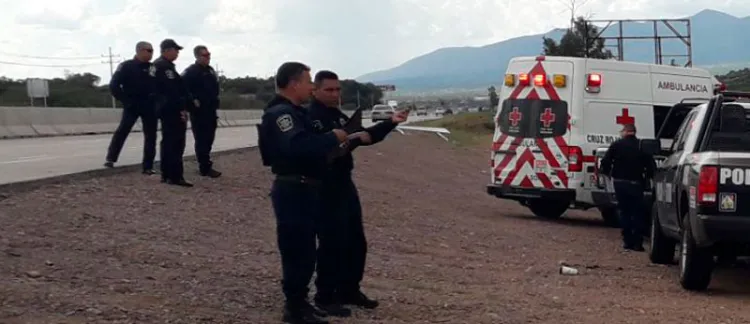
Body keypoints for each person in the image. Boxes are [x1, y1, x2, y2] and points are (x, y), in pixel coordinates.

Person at [308, 70, 408, 315]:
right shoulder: (311, 117)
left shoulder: (337, 115)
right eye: (329, 90)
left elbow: (364, 136)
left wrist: (390, 122)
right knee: (332, 242)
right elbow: (310, 150)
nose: (334, 94)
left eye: (337, 89)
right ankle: (325, 295)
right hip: (324, 186)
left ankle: (349, 289)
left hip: (344, 182)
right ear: (315, 90)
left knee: (355, 241)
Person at [258, 62, 349, 324]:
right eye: (308, 81)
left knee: (307, 249)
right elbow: (298, 146)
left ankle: (301, 302)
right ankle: (294, 307)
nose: (311, 87)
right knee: (297, 249)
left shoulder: (297, 113)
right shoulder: (281, 114)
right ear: (294, 83)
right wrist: (333, 137)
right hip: (293, 189)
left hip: (306, 187)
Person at [598, 123, 656, 251]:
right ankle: (637, 243)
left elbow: (606, 161)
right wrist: (648, 178)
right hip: (636, 183)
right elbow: (651, 166)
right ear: (634, 132)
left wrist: (606, 173)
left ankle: (627, 241)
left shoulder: (617, 145)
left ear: (625, 131)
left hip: (620, 183)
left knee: (624, 211)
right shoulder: (641, 146)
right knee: (637, 213)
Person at [104, 41, 158, 175]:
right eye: (149, 51)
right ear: (139, 51)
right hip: (132, 104)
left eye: (152, 51)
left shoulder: (153, 68)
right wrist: (125, 100)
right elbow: (114, 85)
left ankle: (148, 166)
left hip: (149, 105)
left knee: (151, 135)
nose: (151, 53)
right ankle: (111, 158)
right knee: (123, 130)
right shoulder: (127, 66)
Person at [153, 38, 192, 187]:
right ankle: (175, 176)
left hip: (167, 109)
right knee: (175, 143)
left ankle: (167, 174)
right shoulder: (163, 67)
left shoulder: (163, 66)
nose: (177, 53)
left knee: (168, 143)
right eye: (175, 50)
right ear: (167, 50)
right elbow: (172, 91)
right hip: (171, 110)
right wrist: (181, 108)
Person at [182, 45, 222, 178]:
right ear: (198, 56)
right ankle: (204, 166)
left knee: (209, 138)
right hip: (199, 112)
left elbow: (215, 88)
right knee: (202, 139)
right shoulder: (191, 72)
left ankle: (206, 162)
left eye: (209, 54)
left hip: (211, 110)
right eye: (205, 55)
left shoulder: (210, 71)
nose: (208, 57)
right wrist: (191, 101)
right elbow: (182, 89)